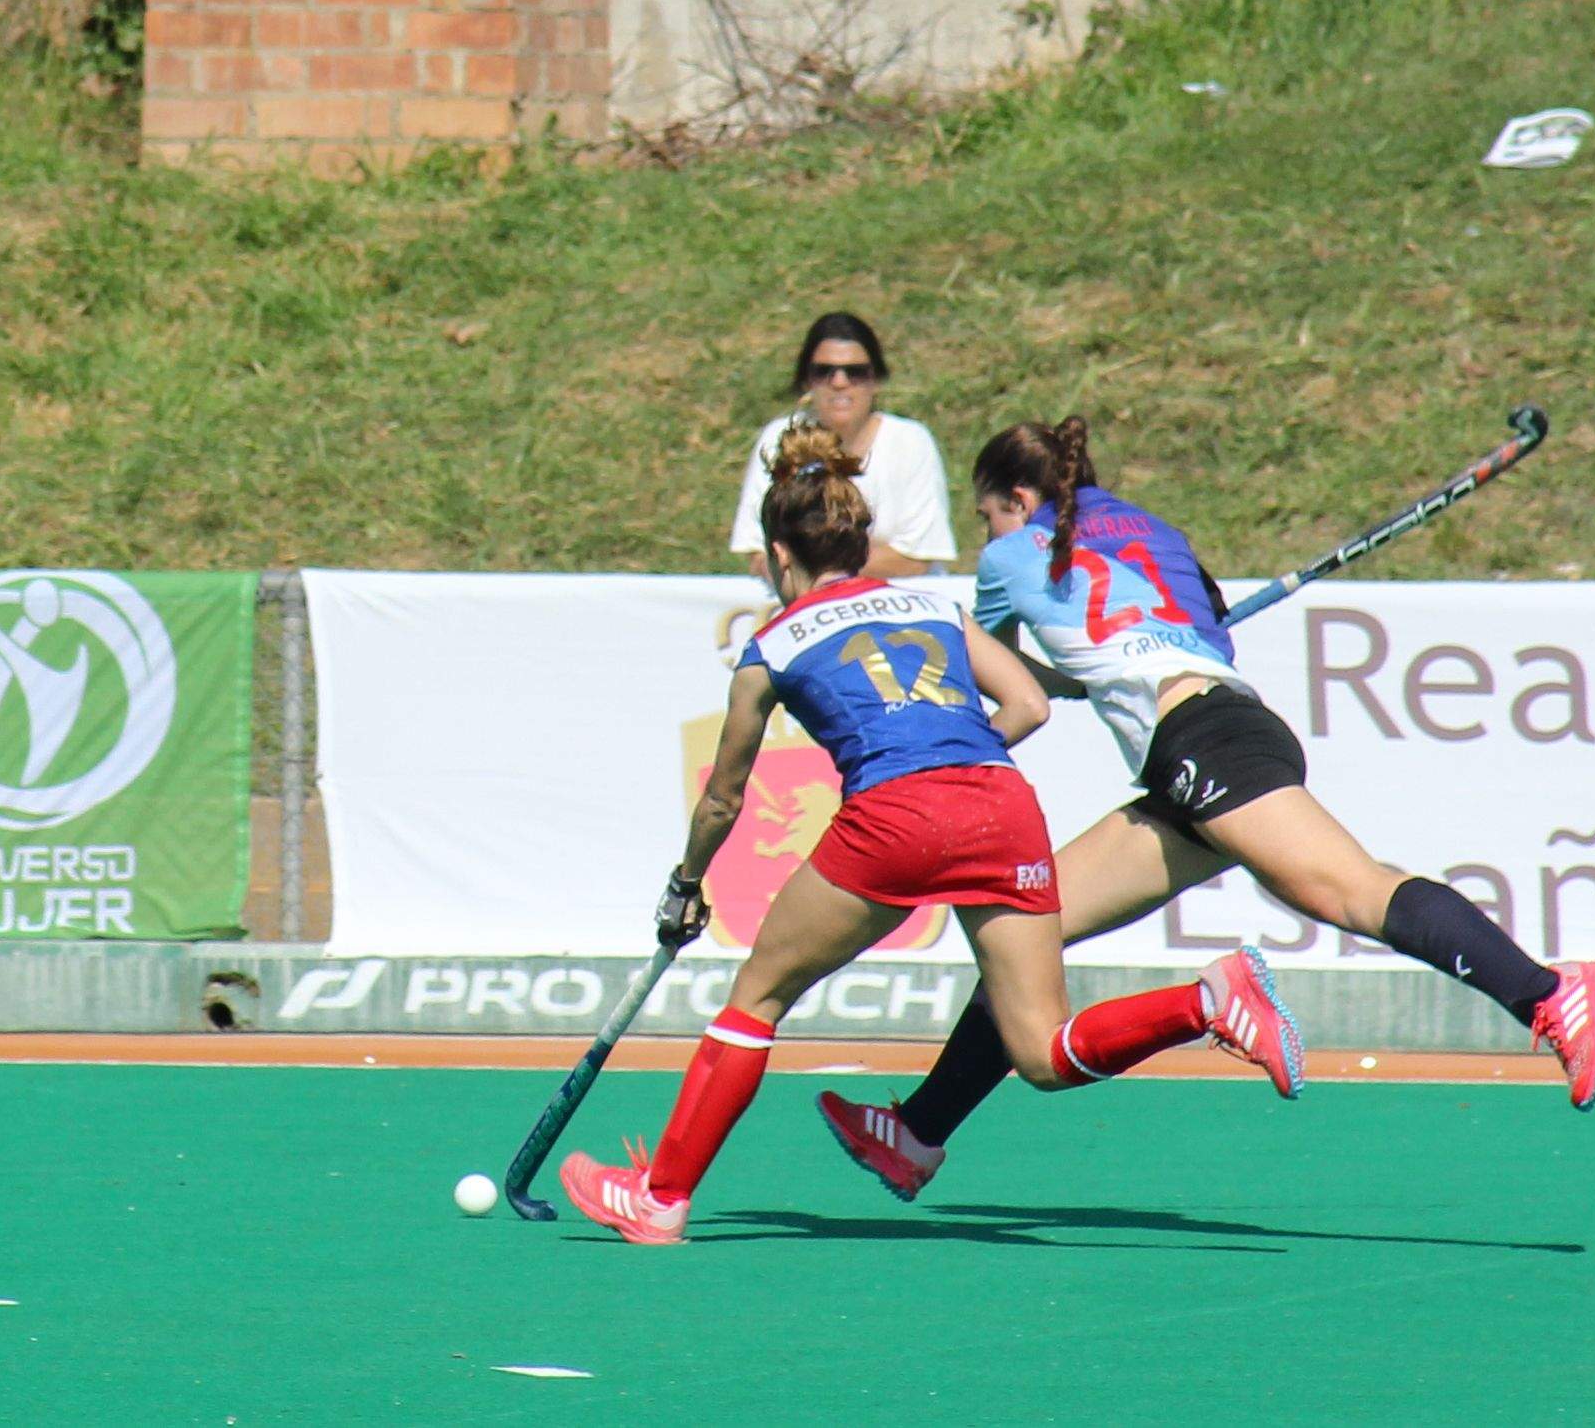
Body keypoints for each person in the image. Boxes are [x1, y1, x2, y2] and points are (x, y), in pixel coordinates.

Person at [817, 416, 1595, 1204]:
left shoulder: (1007, 557)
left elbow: (983, 667)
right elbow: (1197, 637)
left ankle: (1545, 990)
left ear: (1018, 500)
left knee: (1353, 890)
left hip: (1207, 743)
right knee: (1031, 928)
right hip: (1211, 736)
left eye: (989, 514)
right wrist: (1097, 670)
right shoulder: (1157, 531)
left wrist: (1074, 675)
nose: (988, 533)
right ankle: (920, 1130)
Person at [555, 425, 1303, 1247]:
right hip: (999, 804)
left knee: (758, 997)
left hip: (892, 817)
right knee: (1042, 1051)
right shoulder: (932, 606)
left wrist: (687, 882)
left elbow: (723, 801)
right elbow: (1029, 704)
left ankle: (661, 1197)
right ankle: (1208, 999)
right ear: (858, 544)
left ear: (778, 554)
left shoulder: (772, 645)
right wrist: (960, 752)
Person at [729, 312, 956, 582]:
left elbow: (915, 559)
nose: (839, 382)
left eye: (855, 372)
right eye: (824, 371)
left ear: (876, 379)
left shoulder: (910, 443)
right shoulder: (780, 439)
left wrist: (811, 565)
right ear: (807, 380)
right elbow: (759, 553)